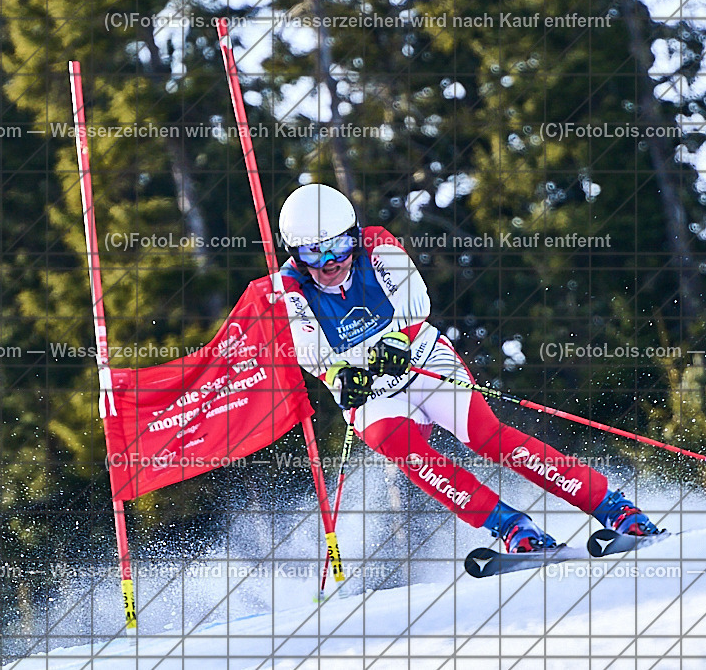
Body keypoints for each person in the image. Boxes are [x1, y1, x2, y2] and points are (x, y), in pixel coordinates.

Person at [277, 183, 659, 553]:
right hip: (371, 392)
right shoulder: (289, 285)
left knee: (485, 436)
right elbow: (307, 346)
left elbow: (413, 296)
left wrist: (398, 341)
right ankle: (512, 528)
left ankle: (613, 507)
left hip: (423, 360)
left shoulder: (376, 244)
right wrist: (339, 375)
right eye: (314, 253)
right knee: (406, 452)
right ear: (296, 254)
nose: (331, 263)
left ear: (355, 235)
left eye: (340, 246)